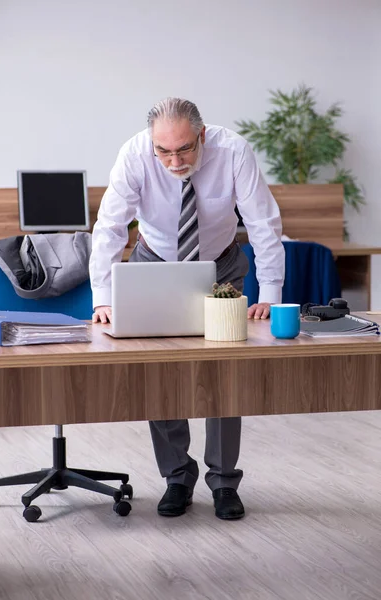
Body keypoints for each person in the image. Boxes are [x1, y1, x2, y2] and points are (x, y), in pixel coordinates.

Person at [90, 97, 285, 520]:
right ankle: (177, 475)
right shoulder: (134, 155)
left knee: (223, 368)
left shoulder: (233, 151)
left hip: (221, 264)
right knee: (160, 369)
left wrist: (269, 290)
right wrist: (102, 297)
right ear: (152, 143)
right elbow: (109, 227)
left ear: (201, 134)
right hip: (154, 262)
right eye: (164, 151)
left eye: (184, 149)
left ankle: (224, 480)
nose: (174, 160)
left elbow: (262, 221)